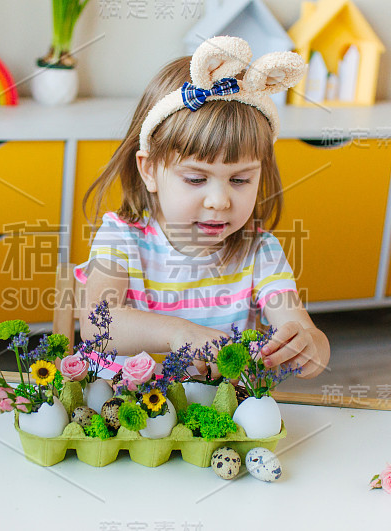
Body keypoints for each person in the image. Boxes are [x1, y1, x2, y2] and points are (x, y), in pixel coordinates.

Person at [74, 37, 330, 379]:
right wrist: (179, 333)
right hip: (129, 411)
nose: (219, 201)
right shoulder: (121, 237)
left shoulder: (259, 252)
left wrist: (310, 345)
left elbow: (304, 333)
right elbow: (97, 326)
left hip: (218, 415)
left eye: (240, 180)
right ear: (149, 169)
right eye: (196, 179)